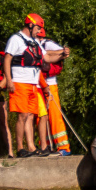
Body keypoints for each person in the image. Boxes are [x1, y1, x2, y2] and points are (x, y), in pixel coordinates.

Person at [4, 14, 68, 157]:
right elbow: (7, 59)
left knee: (30, 116)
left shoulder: (34, 42)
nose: (39, 31)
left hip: (33, 84)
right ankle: (20, 148)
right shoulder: (16, 39)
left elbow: (47, 57)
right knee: (22, 115)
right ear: (31, 25)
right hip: (20, 82)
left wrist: (62, 55)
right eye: (38, 28)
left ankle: (31, 147)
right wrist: (9, 80)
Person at [36, 26, 71, 156]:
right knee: (40, 117)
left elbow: (63, 54)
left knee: (54, 115)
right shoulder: (32, 45)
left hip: (50, 85)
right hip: (38, 85)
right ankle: (45, 145)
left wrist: (58, 53)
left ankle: (63, 147)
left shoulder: (48, 44)